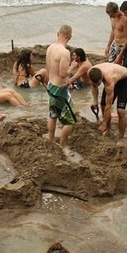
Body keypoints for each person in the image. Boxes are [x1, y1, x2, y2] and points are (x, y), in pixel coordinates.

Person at [46, 25, 76, 156]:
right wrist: (72, 66)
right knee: (70, 120)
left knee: (53, 115)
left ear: (57, 33)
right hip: (60, 90)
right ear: (69, 37)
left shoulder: (50, 48)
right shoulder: (65, 52)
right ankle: (63, 146)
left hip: (51, 85)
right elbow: (63, 73)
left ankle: (51, 140)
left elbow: (49, 69)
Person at [88, 63, 127, 144]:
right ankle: (108, 131)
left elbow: (109, 106)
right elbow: (94, 86)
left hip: (124, 80)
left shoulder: (109, 80)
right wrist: (95, 101)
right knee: (102, 105)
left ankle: (121, 138)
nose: (98, 85)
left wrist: (104, 122)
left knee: (120, 111)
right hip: (112, 77)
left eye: (99, 83)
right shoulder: (90, 72)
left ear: (101, 78)